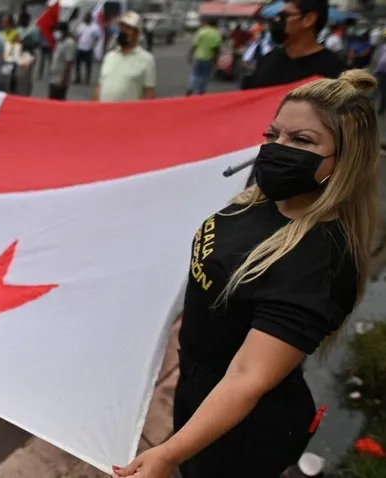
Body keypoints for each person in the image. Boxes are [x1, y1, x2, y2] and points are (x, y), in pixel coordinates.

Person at [114, 70, 379, 478]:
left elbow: (246, 377)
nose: (277, 148)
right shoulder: (265, 199)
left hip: (243, 431)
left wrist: (168, 454)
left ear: (345, 161)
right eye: (273, 134)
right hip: (197, 392)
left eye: (301, 140)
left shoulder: (319, 265)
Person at [243, 0, 345, 90]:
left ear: (308, 20)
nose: (277, 21)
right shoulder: (267, 61)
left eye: (284, 16)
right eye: (277, 17)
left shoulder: (334, 72)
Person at [95, 11, 155, 102]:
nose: (123, 31)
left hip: (129, 111)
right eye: (121, 28)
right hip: (105, 110)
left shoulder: (147, 59)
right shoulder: (109, 57)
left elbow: (149, 94)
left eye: (128, 29)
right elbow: (99, 87)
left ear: (137, 34)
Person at [187, 18, 221, 96]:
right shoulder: (217, 34)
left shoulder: (201, 31)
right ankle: (201, 93)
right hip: (209, 58)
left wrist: (190, 55)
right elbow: (216, 49)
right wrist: (215, 62)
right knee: (205, 77)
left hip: (199, 57)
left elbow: (194, 45)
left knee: (195, 75)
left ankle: (190, 90)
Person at [48, 22, 75, 100]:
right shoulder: (60, 41)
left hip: (59, 79)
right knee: (51, 100)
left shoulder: (69, 43)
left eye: (58, 30)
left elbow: (68, 62)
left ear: (64, 31)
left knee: (57, 101)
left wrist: (64, 79)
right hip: (53, 78)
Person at [74, 13, 100, 84]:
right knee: (77, 64)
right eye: (85, 18)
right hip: (80, 48)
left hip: (89, 48)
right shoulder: (81, 26)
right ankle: (78, 78)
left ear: (90, 18)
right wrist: (77, 42)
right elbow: (77, 35)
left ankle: (87, 79)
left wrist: (93, 44)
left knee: (88, 65)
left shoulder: (94, 27)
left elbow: (97, 37)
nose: (86, 19)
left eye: (88, 18)